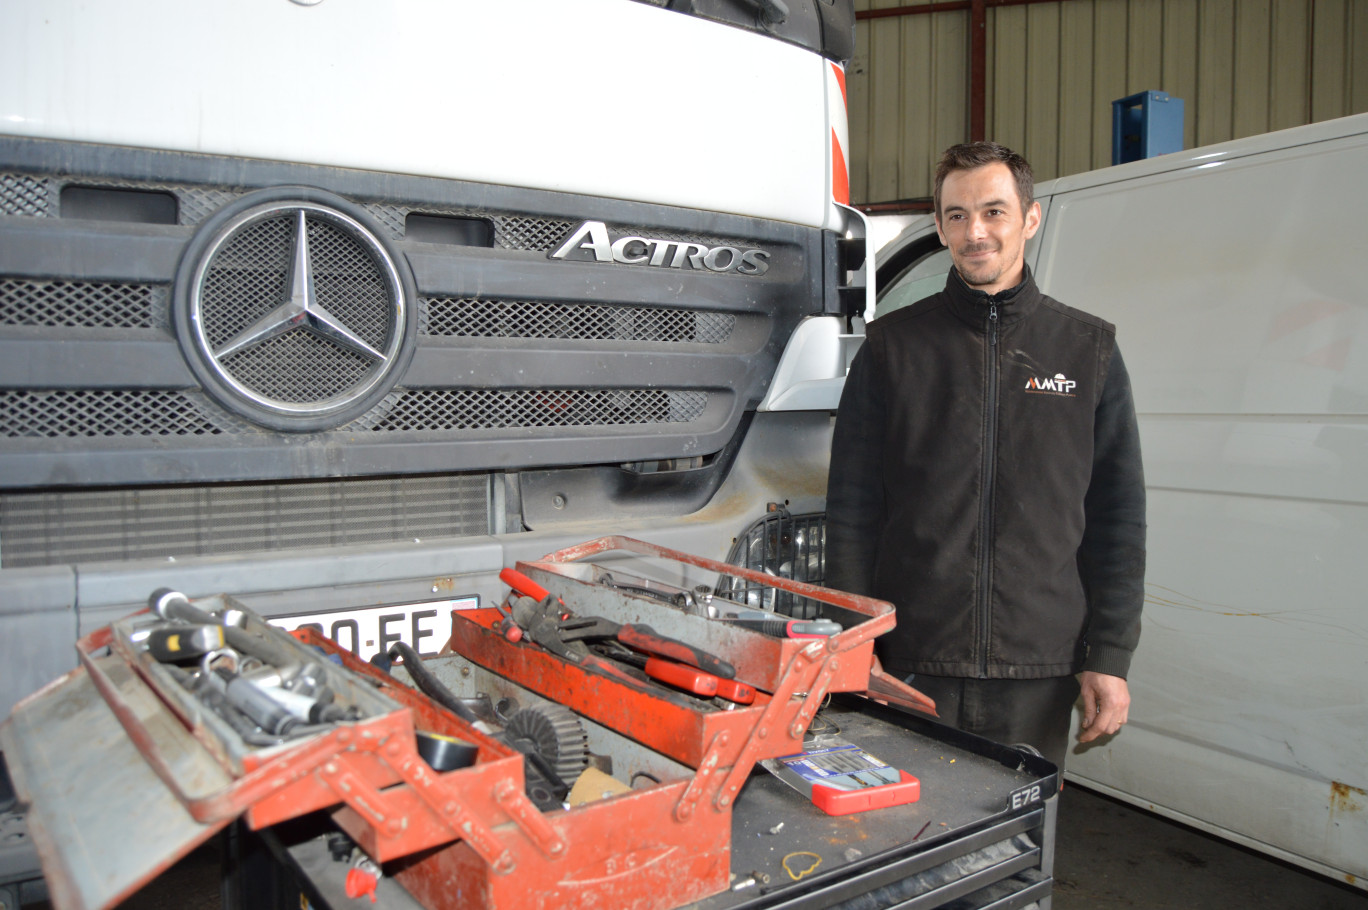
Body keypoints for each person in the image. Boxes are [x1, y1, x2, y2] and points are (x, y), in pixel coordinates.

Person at [825, 141, 1146, 771]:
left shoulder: (1089, 351)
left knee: (1013, 847)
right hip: (912, 660)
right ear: (941, 227)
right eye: (956, 215)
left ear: (1030, 218)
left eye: (994, 212)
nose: (976, 232)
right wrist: (852, 638)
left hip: (1038, 669)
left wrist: (1108, 655)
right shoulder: (892, 349)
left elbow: (1118, 517)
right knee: (904, 849)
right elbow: (851, 511)